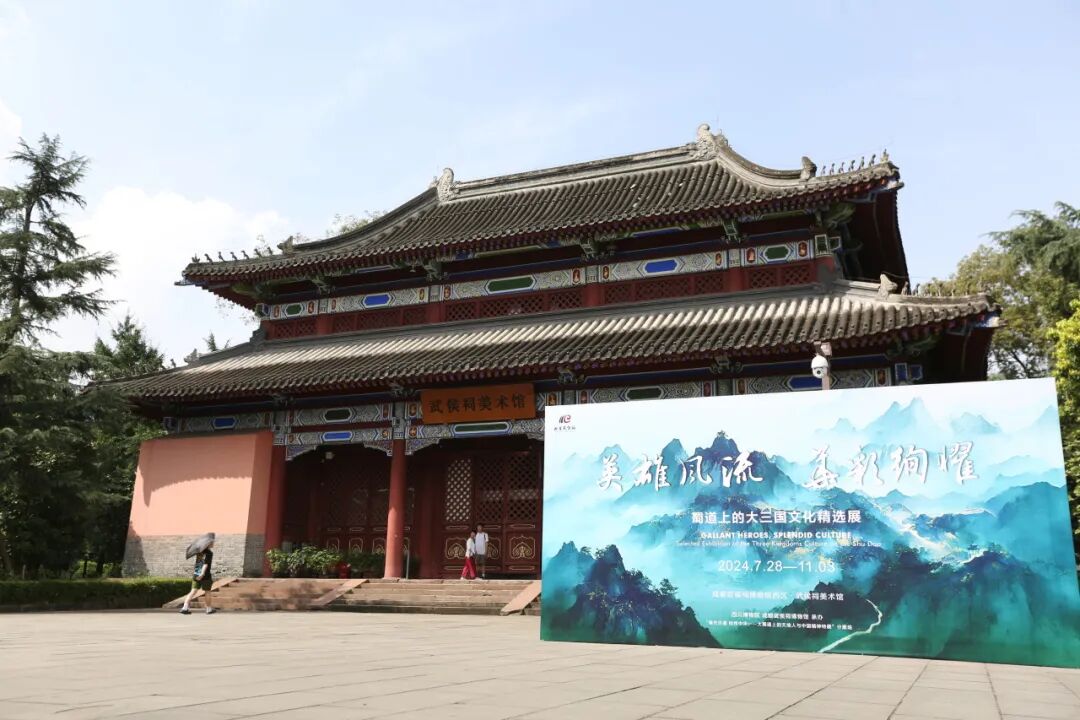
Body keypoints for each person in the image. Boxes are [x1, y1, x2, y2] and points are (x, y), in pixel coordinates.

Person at [180, 542, 215, 615]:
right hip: (205, 576)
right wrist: (202, 574)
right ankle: (208, 609)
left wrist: (198, 573)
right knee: (207, 591)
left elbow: (198, 563)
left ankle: (185, 608)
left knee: (193, 591)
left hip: (196, 574)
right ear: (207, 544)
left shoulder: (199, 552)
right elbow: (205, 564)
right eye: (211, 542)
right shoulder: (209, 553)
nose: (213, 543)